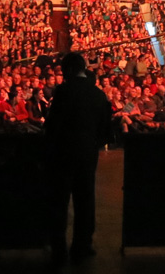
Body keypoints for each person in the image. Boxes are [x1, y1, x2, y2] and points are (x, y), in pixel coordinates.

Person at [45, 53, 115, 266]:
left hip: (63, 154)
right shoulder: (98, 94)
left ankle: (59, 249)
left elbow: (53, 125)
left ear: (68, 70)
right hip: (87, 154)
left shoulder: (63, 91)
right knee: (85, 200)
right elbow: (105, 130)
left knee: (60, 201)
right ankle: (82, 245)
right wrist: (92, 144)